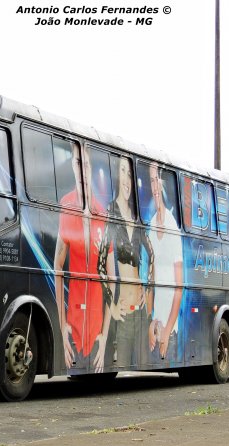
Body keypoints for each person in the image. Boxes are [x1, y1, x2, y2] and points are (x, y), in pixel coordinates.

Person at [94, 156, 153, 372]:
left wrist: (146, 290)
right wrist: (111, 303)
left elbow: (152, 256)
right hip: (125, 315)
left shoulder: (137, 218)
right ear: (117, 177)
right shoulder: (111, 213)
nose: (127, 179)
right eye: (123, 172)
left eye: (130, 174)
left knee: (146, 366)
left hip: (141, 312)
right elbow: (101, 266)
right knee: (125, 363)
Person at [53, 146, 110, 368]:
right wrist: (61, 325)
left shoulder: (102, 214)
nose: (82, 170)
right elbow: (58, 266)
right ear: (73, 168)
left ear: (90, 169)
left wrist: (105, 337)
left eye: (86, 164)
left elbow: (112, 279)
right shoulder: (65, 206)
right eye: (78, 163)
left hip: (96, 328)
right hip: (73, 324)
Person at [146, 164, 183, 363]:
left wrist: (167, 331)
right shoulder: (152, 223)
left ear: (164, 182)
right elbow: (152, 278)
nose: (154, 186)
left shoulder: (172, 227)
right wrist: (151, 321)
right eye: (151, 180)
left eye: (156, 180)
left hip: (171, 329)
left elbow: (179, 287)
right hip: (157, 325)